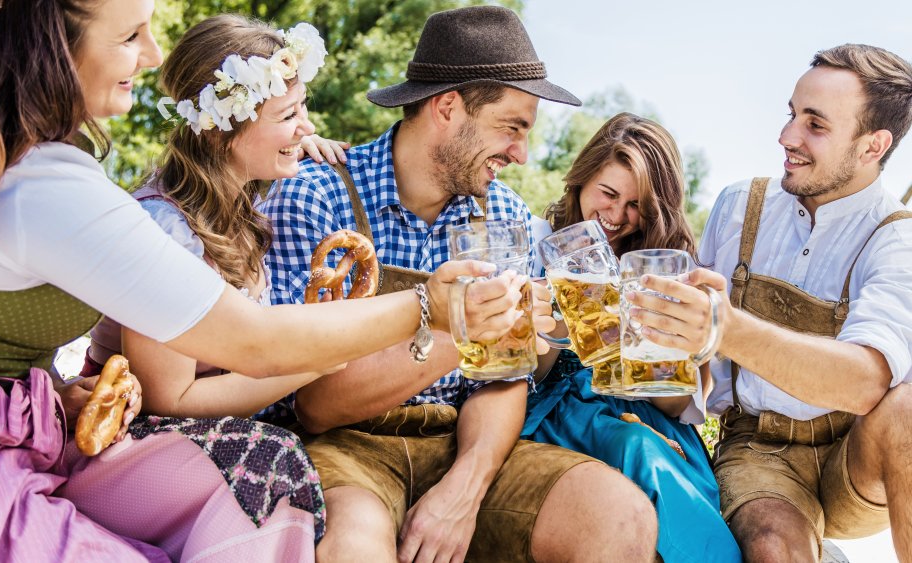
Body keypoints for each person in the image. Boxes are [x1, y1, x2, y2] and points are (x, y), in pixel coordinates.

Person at [0, 1, 522, 561]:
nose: (152, 55)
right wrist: (430, 306)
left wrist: (290, 139)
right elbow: (248, 346)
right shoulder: (71, 195)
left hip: (26, 422)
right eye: (129, 36)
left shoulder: (32, 162)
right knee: (270, 463)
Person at [262, 6, 658, 562]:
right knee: (355, 546)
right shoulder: (317, 196)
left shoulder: (506, 216)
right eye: (511, 127)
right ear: (447, 107)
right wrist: (464, 324)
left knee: (619, 516)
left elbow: (500, 380)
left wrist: (464, 491)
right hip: (345, 450)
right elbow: (315, 406)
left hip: (461, 442)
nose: (521, 153)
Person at [630, 44, 912, 561]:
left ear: (873, 147)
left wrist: (727, 328)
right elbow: (692, 371)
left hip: (855, 457)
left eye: (815, 125)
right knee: (771, 545)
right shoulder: (741, 206)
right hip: (758, 448)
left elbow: (867, 380)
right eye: (791, 115)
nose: (787, 138)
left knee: (909, 407)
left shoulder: (897, 240)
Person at [522, 112, 742, 562]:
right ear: (583, 178)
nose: (615, 216)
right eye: (608, 193)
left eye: (635, 205)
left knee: (649, 452)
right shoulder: (538, 240)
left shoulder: (665, 269)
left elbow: (678, 404)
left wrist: (646, 354)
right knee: (634, 449)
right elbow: (533, 373)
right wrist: (563, 321)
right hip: (555, 410)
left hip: (641, 414)